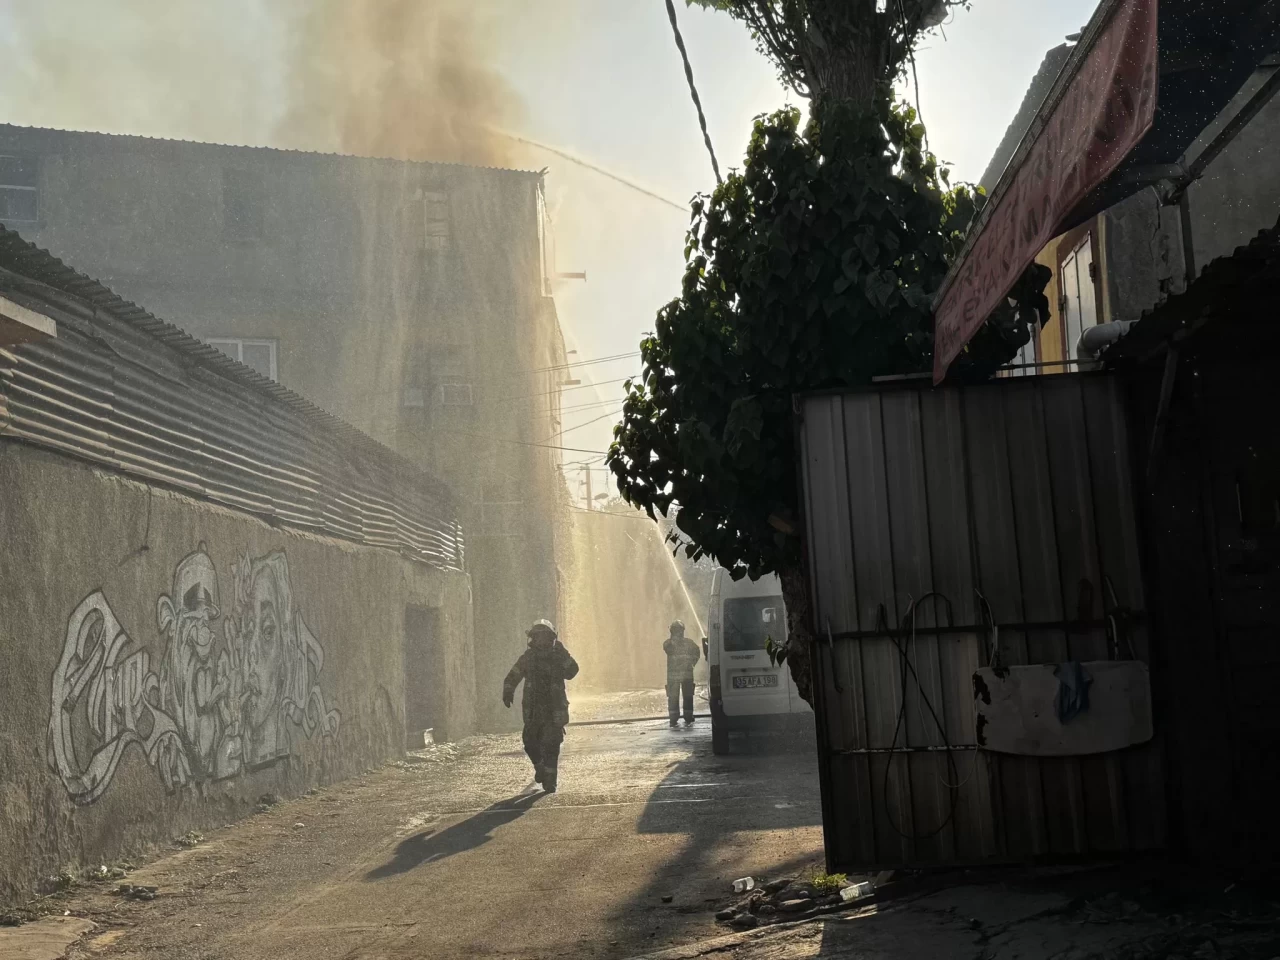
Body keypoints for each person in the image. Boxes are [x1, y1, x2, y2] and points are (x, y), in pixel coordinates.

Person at [502, 619, 579, 793]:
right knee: (530, 742)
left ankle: (550, 781)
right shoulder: (528, 658)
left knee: (552, 744)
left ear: (551, 638)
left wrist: (564, 655)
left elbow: (572, 672)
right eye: (538, 637)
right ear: (533, 639)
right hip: (534, 710)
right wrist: (508, 690)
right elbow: (513, 675)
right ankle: (540, 766)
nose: (542, 641)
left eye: (545, 637)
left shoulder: (558, 656)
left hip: (554, 709)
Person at [663, 620, 701, 727]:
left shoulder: (671, 643)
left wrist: (692, 663)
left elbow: (697, 652)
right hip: (685, 675)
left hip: (676, 676)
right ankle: (682, 717)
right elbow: (697, 652)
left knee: (678, 697)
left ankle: (677, 718)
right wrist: (692, 663)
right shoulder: (670, 644)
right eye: (676, 630)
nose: (678, 632)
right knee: (681, 697)